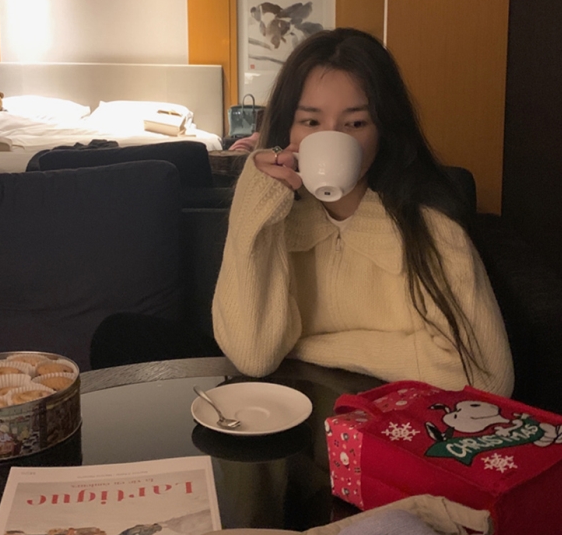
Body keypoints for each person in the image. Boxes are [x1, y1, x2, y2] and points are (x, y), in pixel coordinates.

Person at [211, 27, 514, 389]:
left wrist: (305, 347)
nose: (332, 137)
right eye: (311, 122)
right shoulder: (274, 221)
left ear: (383, 130)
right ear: (287, 128)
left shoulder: (431, 229)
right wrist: (253, 204)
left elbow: (486, 379)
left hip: (396, 424)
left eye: (355, 123)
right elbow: (253, 356)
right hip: (295, 419)